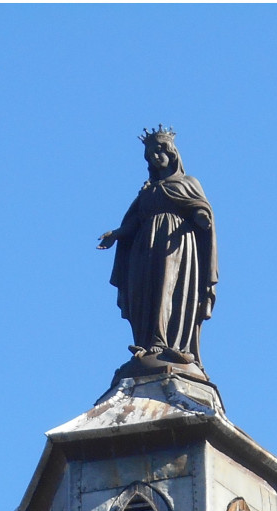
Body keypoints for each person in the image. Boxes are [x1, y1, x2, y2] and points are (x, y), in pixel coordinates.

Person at [98, 128, 218, 376]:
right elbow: (134, 221)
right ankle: (147, 342)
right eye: (151, 153)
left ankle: (170, 343)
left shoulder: (188, 183)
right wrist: (117, 234)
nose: (156, 157)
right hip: (144, 247)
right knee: (144, 292)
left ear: (172, 153)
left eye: (160, 151)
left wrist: (202, 217)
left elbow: (199, 207)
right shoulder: (148, 191)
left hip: (175, 242)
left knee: (168, 289)